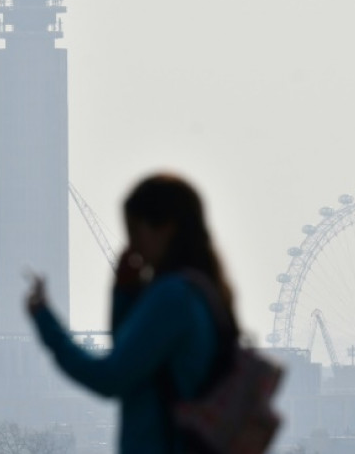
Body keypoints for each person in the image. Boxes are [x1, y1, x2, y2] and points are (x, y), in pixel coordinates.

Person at [26, 173, 239, 454]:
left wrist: (46, 322)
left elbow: (110, 377)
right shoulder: (201, 293)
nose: (131, 247)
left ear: (165, 228)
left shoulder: (172, 298)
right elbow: (133, 362)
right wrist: (125, 296)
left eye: (135, 233)